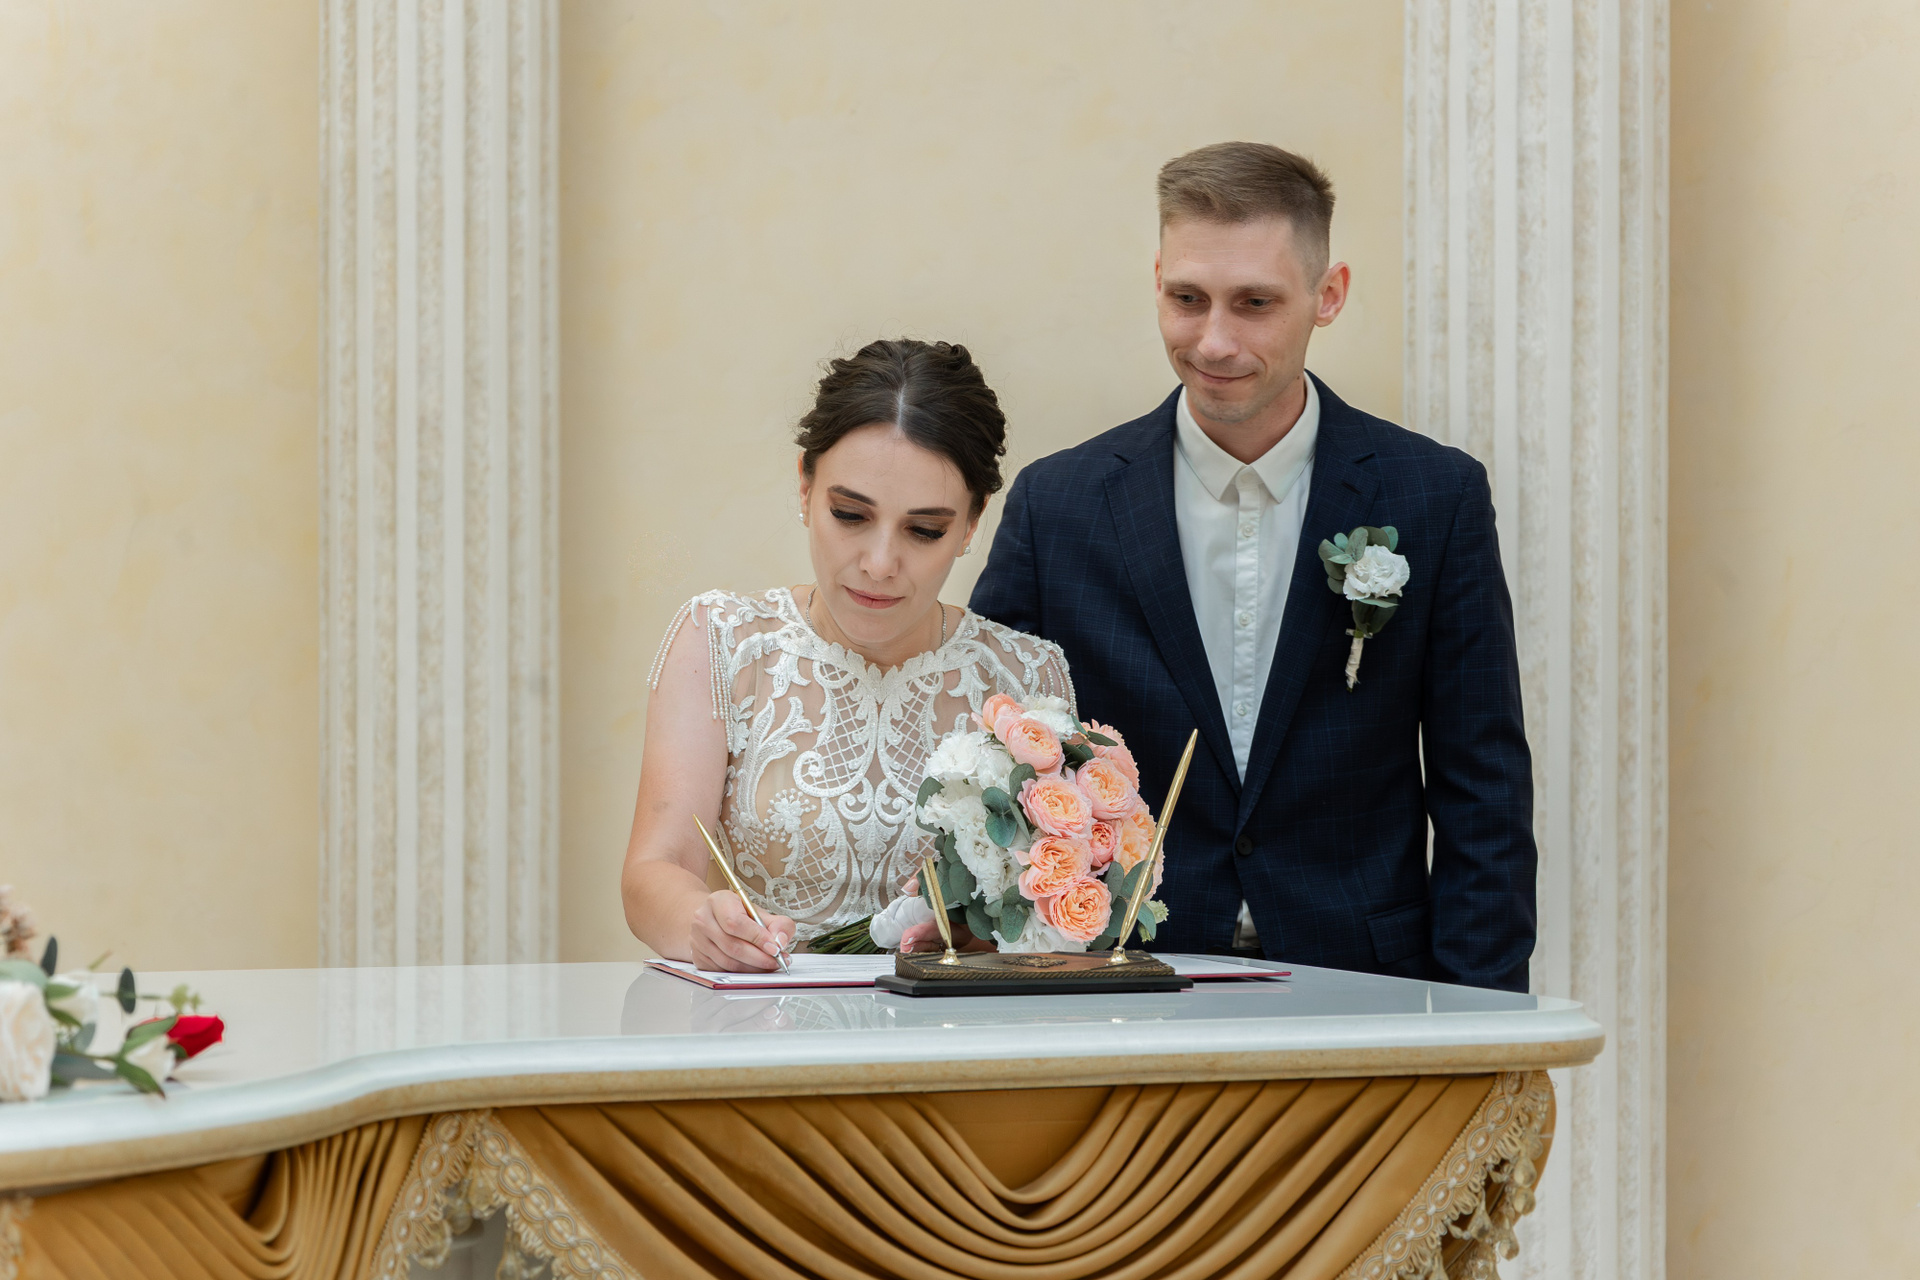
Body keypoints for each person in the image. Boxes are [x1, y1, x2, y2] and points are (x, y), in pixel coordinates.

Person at [970, 143, 1537, 991]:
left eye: (1255, 303)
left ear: (1328, 294)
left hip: (1366, 982)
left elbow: (1482, 788)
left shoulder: (1436, 496)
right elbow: (995, 762)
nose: (1215, 340)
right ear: (1156, 278)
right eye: (1187, 298)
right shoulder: (1059, 505)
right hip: (1120, 979)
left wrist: (1480, 1026)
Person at [622, 339, 1074, 971]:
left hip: (950, 1020)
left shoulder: (1025, 675)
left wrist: (987, 934)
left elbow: (1047, 903)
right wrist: (703, 923)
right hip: (761, 1011)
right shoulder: (721, 642)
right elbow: (656, 868)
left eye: (924, 530)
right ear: (805, 487)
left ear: (972, 524)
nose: (880, 563)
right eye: (850, 514)